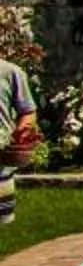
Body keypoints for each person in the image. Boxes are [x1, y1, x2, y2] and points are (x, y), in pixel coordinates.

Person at [0, 54, 38, 227]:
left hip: (1, 162)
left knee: (3, 227)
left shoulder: (10, 72)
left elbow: (27, 111)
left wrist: (20, 134)